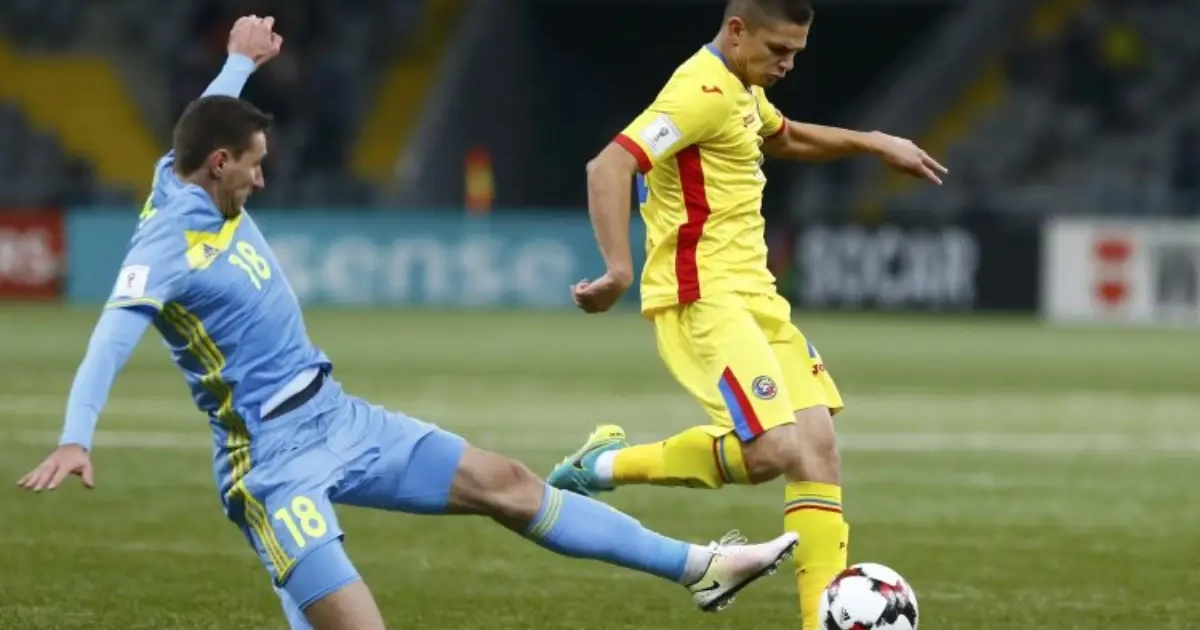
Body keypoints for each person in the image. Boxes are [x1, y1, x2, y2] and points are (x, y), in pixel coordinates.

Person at [15, 15, 798, 630]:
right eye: (254, 164)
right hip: (271, 463)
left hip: (337, 416)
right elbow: (111, 336)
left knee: (507, 482)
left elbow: (205, 115)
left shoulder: (180, 165)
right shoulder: (165, 246)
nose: (262, 178)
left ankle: (699, 566)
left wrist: (240, 60)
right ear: (220, 165)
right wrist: (78, 435)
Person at [544, 1, 947, 629]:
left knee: (817, 451)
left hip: (757, 297)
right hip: (704, 298)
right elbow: (611, 164)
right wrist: (618, 270)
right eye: (778, 50)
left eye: (796, 53)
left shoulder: (741, 87)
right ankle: (603, 463)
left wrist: (872, 143)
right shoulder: (699, 93)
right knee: (771, 451)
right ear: (736, 31)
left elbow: (781, 136)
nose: (787, 65)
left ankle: (818, 622)